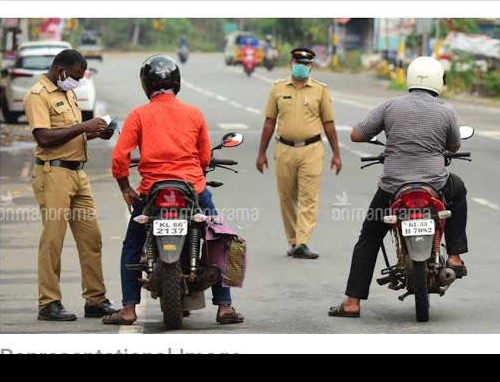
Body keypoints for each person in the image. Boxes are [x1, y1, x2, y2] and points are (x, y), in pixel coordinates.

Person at [103, 54, 244, 325]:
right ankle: (224, 306)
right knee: (220, 237)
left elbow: (120, 157)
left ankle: (129, 309)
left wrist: (125, 187)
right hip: (192, 189)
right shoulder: (193, 113)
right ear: (176, 83)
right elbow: (204, 158)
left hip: (151, 193)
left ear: (146, 85)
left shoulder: (139, 115)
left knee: (132, 244)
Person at [328, 56, 469, 318]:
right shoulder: (446, 110)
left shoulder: (390, 106)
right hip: (435, 184)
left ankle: (352, 302)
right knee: (458, 190)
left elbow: (357, 135)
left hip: (394, 187)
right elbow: (454, 146)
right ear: (438, 80)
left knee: (369, 238)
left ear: (410, 79)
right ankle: (455, 256)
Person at [23, 49, 118, 321]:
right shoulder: (37, 95)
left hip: (78, 174)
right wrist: (83, 127)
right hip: (53, 175)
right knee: (53, 240)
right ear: (61, 70)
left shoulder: (68, 93)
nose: (76, 82)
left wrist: (98, 133)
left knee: (92, 239)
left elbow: (73, 136)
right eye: (74, 76)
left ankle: (95, 299)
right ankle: (49, 303)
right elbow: (44, 138)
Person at [256, 47, 342, 259]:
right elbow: (269, 122)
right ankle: (294, 241)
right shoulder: (277, 89)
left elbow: (329, 124)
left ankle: (303, 242)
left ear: (311, 66)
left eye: (305, 64)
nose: (301, 67)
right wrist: (261, 153)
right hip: (284, 149)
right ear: (291, 64)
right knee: (287, 198)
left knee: (308, 198)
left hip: (312, 149)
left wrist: (336, 154)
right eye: (298, 63)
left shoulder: (320, 91)